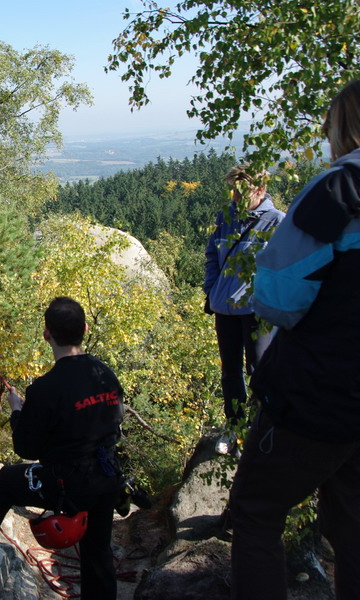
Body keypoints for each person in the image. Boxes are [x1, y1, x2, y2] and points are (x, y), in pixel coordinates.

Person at [229, 79, 360, 600]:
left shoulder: (337, 192)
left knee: (256, 511)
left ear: (343, 127)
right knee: (353, 528)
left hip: (319, 394)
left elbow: (278, 299)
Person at [0, 297, 124, 600]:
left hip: (68, 482)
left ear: (47, 334)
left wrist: (18, 411)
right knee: (98, 547)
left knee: (8, 480)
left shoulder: (46, 388)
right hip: (107, 476)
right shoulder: (105, 375)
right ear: (85, 329)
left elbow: (26, 447)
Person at [203, 164, 285, 452]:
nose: (236, 196)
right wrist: (210, 288)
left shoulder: (276, 222)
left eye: (243, 190)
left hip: (256, 311)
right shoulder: (225, 217)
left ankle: (264, 430)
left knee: (260, 370)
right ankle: (234, 429)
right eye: (234, 190)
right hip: (224, 308)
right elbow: (213, 255)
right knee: (230, 372)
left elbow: (283, 268)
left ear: (260, 190)